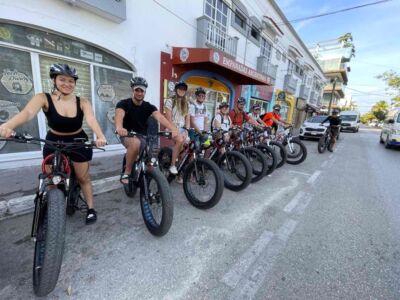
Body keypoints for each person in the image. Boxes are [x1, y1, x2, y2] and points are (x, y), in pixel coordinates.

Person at [0, 63, 107, 224]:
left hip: (77, 140)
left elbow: (91, 119)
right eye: (62, 79)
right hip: (54, 140)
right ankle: (53, 205)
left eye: (71, 81)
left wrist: (100, 136)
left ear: (75, 83)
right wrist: (8, 125)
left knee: (83, 177)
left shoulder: (82, 101)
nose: (67, 84)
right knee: (50, 178)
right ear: (54, 80)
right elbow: (28, 113)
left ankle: (91, 208)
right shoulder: (43, 98)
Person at [115, 76, 180, 183]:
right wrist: (119, 127)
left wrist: (173, 129)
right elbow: (119, 115)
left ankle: (148, 178)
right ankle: (127, 172)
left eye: (142, 91)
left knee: (152, 157)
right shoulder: (123, 103)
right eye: (137, 90)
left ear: (145, 92)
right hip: (128, 135)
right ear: (133, 90)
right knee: (136, 144)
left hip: (143, 136)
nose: (139, 93)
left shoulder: (149, 106)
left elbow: (160, 117)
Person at [164, 81, 190, 180]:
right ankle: (173, 165)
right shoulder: (170, 101)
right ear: (176, 90)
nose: (182, 90)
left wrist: (186, 130)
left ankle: (180, 172)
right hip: (171, 127)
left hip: (182, 129)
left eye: (184, 89)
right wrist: (176, 130)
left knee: (185, 149)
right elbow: (168, 119)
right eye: (180, 88)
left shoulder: (186, 103)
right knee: (179, 140)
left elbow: (187, 118)